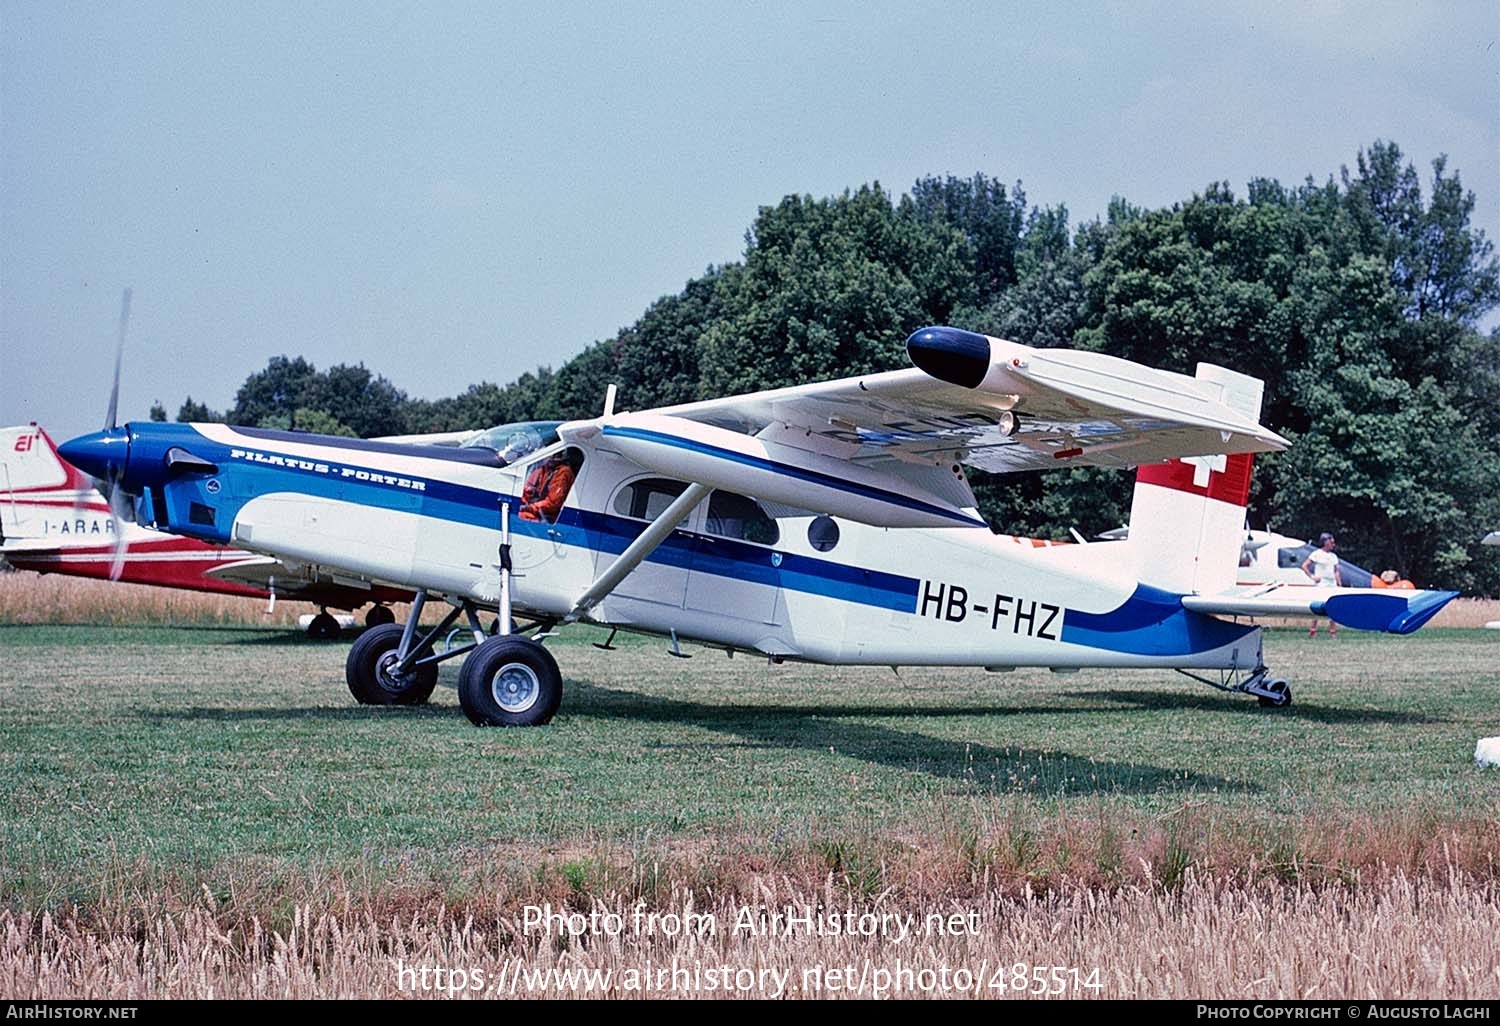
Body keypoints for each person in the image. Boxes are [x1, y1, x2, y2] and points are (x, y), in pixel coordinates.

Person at [1301, 532, 1342, 638]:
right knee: (1318, 606)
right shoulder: (1316, 554)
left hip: (1332, 584)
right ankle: (1313, 630)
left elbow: (1336, 571)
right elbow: (1305, 566)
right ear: (1325, 542)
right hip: (1321, 584)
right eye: (1331, 542)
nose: (1333, 544)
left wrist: (1339, 584)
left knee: (1332, 606)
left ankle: (1333, 632)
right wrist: (1312, 576)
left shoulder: (1333, 556)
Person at [518, 450, 576, 523]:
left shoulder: (563, 473)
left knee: (521, 517)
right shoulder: (544, 469)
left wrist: (530, 508)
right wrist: (520, 500)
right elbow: (529, 488)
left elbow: (553, 504)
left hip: (548, 515)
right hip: (538, 509)